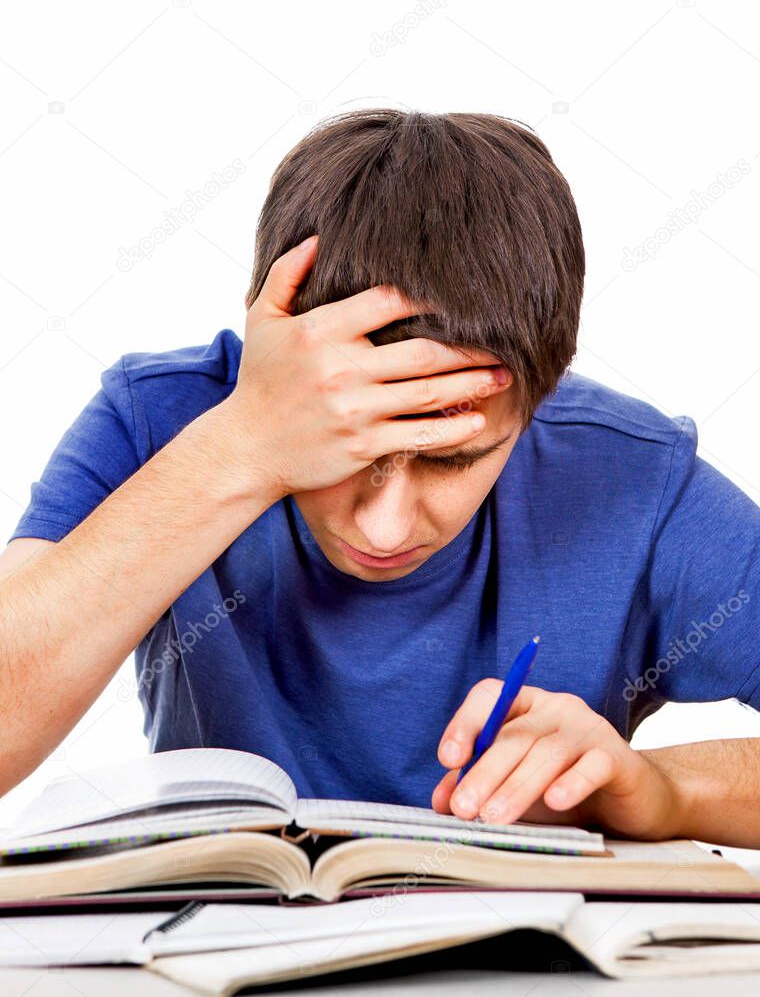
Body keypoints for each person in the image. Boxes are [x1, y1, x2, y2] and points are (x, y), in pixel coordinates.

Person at [1, 109, 758, 847]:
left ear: (539, 397)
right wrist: (244, 446)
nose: (385, 527)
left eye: (456, 457)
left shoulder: (632, 477)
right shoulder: (162, 419)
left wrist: (662, 792)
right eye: (343, 451)